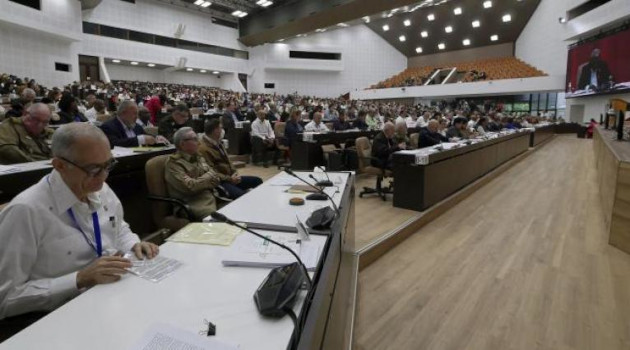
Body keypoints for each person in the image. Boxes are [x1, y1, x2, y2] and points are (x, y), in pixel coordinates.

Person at [0, 123, 158, 328]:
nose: (102, 178)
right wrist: (79, 279)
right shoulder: (26, 211)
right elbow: (5, 299)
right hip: (58, 317)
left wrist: (134, 243)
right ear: (59, 165)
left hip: (110, 296)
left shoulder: (100, 188)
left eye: (108, 165)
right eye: (93, 169)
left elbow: (118, 227)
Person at [165, 127, 220, 220]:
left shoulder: (198, 157)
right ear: (182, 144)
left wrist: (201, 181)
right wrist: (209, 177)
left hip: (211, 196)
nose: (199, 142)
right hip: (191, 204)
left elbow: (216, 178)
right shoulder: (174, 164)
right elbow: (191, 187)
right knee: (218, 223)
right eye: (194, 139)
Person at [199, 119, 262, 199]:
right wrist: (230, 179)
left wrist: (234, 172)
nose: (222, 130)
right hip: (220, 182)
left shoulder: (218, 142)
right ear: (215, 131)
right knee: (242, 196)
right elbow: (211, 172)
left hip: (230, 177)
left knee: (257, 181)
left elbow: (228, 161)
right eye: (221, 128)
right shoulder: (203, 149)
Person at [100, 100, 166, 147]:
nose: (137, 117)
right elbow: (114, 144)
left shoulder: (137, 126)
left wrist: (157, 138)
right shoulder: (108, 127)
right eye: (134, 113)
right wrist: (139, 140)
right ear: (123, 113)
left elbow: (146, 136)